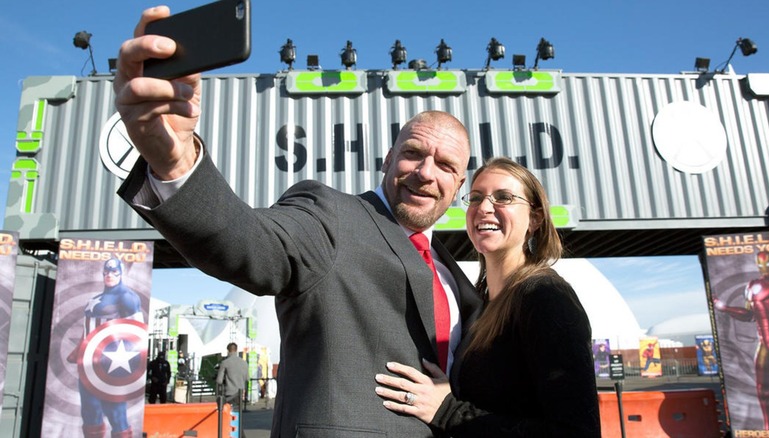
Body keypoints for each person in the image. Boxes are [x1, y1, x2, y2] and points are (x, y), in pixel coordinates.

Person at [113, 7, 481, 437]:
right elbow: (250, 243)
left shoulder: (453, 276)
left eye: (445, 165)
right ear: (388, 160)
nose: (425, 172)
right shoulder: (330, 217)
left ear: (458, 185)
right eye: (414, 153)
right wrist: (174, 161)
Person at [374, 158, 600, 436]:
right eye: (476, 197)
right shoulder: (480, 302)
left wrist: (447, 411)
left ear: (535, 218)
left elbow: (576, 432)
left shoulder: (545, 298)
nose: (483, 208)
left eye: (504, 197)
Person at [67, 257, 143, 438]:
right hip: (89, 363)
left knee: (116, 413)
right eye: (107, 272)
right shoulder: (97, 298)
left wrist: (129, 362)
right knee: (90, 411)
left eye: (114, 272)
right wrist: (79, 350)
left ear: (121, 273)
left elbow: (137, 332)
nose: (110, 275)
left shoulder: (127, 296)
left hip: (114, 364)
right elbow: (88, 330)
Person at [714, 250, 769, 430]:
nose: (764, 267)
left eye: (768, 263)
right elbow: (749, 315)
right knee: (763, 391)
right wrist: (724, 308)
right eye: (761, 264)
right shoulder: (752, 286)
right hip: (766, 343)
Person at [217, 342, 249, 409]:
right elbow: (247, 378)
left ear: (228, 351)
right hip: (240, 393)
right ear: (236, 350)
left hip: (229, 393)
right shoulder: (244, 363)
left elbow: (219, 380)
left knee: (228, 414)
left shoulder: (225, 363)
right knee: (239, 414)